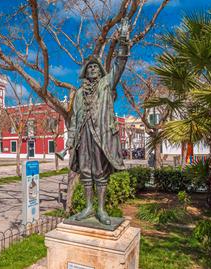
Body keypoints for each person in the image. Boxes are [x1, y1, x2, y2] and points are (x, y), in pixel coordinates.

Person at [66, 18, 130, 225]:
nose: (93, 69)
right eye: (89, 67)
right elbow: (75, 118)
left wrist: (123, 40)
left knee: (101, 172)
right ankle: (88, 207)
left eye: (96, 66)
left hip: (101, 133)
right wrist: (70, 139)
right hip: (84, 135)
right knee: (85, 170)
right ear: (85, 72)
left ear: (100, 71)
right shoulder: (78, 93)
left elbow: (120, 64)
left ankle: (101, 210)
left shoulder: (106, 84)